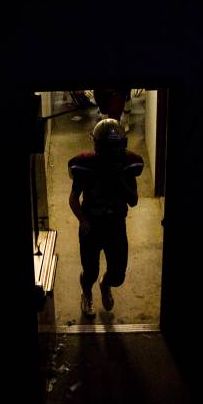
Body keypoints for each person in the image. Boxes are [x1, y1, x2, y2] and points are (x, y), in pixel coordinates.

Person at [68, 118, 144, 316]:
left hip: (115, 225)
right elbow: (73, 198)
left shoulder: (126, 166)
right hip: (92, 225)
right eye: (107, 146)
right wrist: (83, 221)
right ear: (97, 145)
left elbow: (133, 201)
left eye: (115, 146)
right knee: (90, 271)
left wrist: (119, 178)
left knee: (118, 275)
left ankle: (106, 283)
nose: (111, 152)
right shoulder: (86, 166)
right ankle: (86, 293)